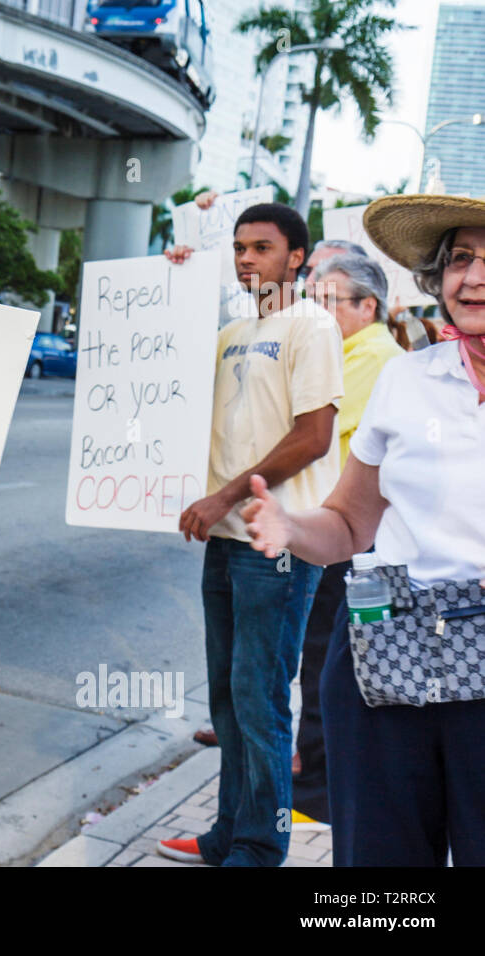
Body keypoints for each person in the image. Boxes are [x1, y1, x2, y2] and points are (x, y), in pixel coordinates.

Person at [241, 194, 485, 866]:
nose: (474, 276)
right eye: (461, 258)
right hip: (387, 664)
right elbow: (349, 524)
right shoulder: (407, 380)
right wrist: (289, 526)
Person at [156, 203, 344, 866]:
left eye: (261, 247)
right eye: (238, 247)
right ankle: (229, 831)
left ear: (295, 257)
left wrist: (227, 494)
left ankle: (260, 848)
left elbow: (314, 437)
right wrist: (175, 280)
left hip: (277, 545)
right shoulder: (233, 330)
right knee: (230, 699)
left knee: (261, 700)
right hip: (228, 542)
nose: (245, 259)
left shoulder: (312, 324)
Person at [289, 254, 404, 830]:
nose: (319, 313)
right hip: (346, 536)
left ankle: (313, 796)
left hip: (350, 542)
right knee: (329, 664)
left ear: (369, 306)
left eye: (330, 302)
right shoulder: (355, 353)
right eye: (313, 301)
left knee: (326, 665)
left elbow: (308, 432)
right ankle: (317, 784)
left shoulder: (374, 358)